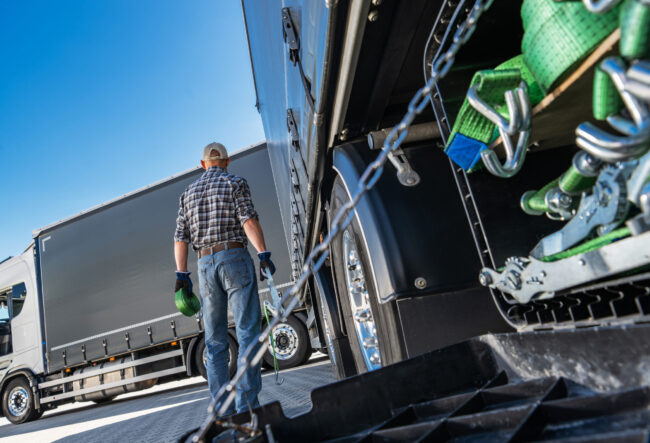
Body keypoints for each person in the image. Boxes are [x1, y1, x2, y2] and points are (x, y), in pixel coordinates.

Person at [173, 142, 275, 415]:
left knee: (215, 342)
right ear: (227, 162)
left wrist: (182, 275)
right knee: (247, 334)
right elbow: (248, 220)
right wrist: (263, 253)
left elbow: (180, 238)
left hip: (205, 264)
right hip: (235, 258)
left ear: (203, 164)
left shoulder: (187, 193)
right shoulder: (235, 182)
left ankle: (223, 413)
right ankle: (247, 409)